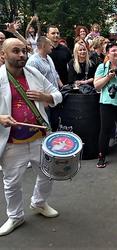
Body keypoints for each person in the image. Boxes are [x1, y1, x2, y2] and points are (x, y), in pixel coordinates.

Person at [0, 38, 62, 236]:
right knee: (12, 183)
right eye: (15, 51)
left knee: (47, 174)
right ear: (3, 55)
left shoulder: (33, 73)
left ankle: (39, 203)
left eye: (24, 51)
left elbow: (57, 94)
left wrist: (45, 97)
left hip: (38, 137)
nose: (21, 55)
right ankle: (15, 216)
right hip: (12, 142)